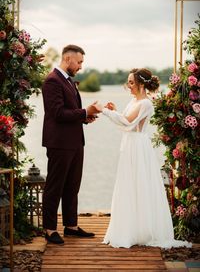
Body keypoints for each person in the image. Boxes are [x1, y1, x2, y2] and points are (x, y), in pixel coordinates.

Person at [95, 68, 192, 249]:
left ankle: (142, 230)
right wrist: (115, 110)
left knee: (139, 183)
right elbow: (126, 120)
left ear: (141, 84)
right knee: (128, 184)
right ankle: (131, 228)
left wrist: (104, 111)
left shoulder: (146, 104)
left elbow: (127, 123)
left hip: (138, 147)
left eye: (131, 82)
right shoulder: (134, 100)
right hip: (130, 144)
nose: (128, 86)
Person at [42, 44, 100, 244]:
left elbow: (70, 112)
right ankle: (50, 229)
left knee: (72, 185)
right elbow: (57, 113)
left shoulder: (68, 81)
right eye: (80, 62)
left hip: (75, 142)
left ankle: (71, 226)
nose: (81, 66)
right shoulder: (52, 81)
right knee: (55, 186)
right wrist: (85, 111)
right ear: (68, 59)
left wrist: (85, 118)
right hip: (59, 143)